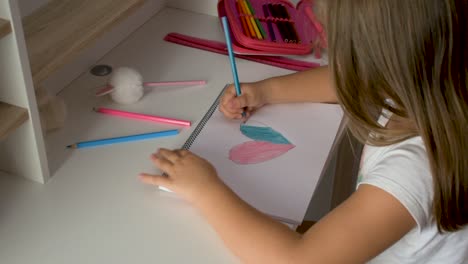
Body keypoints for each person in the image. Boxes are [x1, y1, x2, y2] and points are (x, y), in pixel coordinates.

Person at [139, 0, 468, 263]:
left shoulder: (416, 168)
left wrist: (205, 190)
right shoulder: (434, 78)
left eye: (328, 39)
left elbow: (298, 259)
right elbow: (344, 77)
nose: (319, 43)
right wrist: (266, 91)